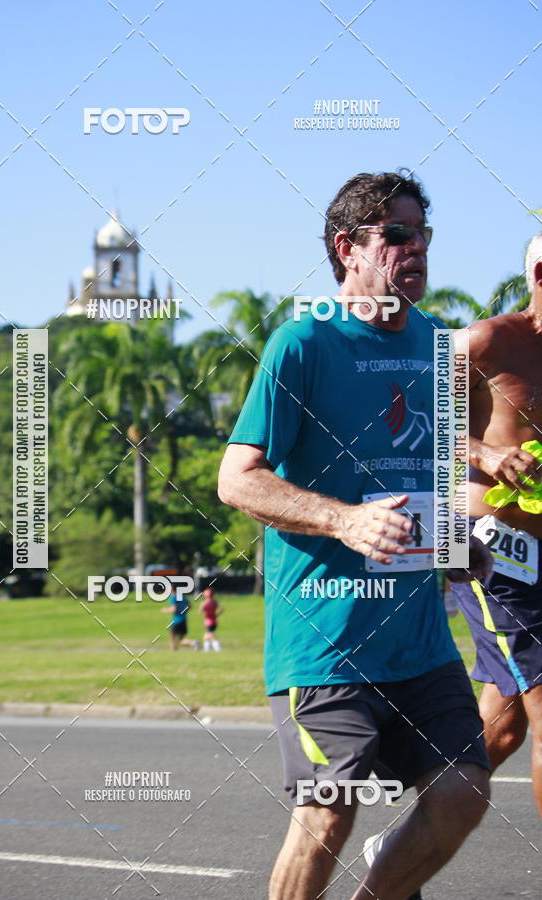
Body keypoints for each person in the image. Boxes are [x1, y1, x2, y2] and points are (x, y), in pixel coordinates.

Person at [218, 171, 491, 900]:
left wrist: (459, 537)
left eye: (422, 235)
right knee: (327, 812)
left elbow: (437, 461)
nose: (416, 250)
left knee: (464, 793)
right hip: (326, 641)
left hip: (422, 643)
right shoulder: (303, 343)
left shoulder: (437, 344)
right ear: (349, 248)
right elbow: (237, 479)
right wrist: (344, 518)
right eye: (397, 236)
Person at [451, 232, 542, 816]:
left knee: (503, 728)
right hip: (490, 551)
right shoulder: (485, 340)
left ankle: (409, 841)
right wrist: (487, 455)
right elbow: (408, 421)